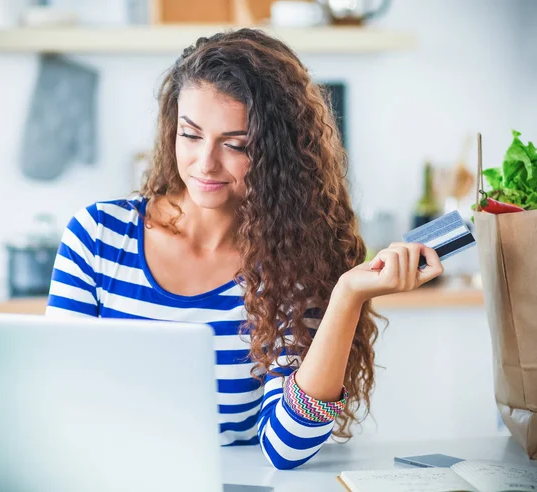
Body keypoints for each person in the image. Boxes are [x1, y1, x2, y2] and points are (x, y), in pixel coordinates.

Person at [46, 28, 443, 470]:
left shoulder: (291, 265)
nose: (205, 163)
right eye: (190, 135)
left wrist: (347, 295)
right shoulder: (98, 236)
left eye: (235, 144)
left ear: (278, 154)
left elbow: (286, 446)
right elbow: (57, 398)